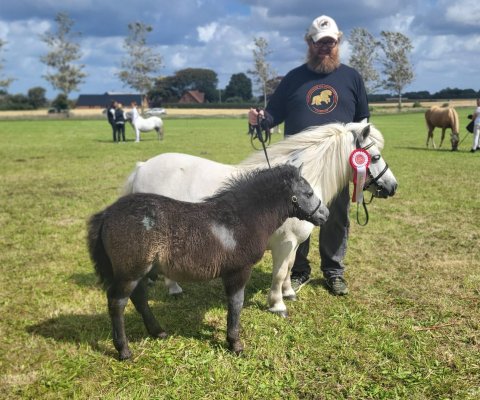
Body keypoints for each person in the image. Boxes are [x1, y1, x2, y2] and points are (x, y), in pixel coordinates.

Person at [261, 15, 370, 296]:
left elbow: (362, 121)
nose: (325, 47)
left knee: (336, 217)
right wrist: (260, 119)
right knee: (298, 219)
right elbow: (273, 114)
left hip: (336, 166)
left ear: (338, 43)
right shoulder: (294, 79)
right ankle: (298, 271)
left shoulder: (351, 78)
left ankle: (333, 271)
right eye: (319, 42)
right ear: (310, 43)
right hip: (298, 166)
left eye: (330, 42)